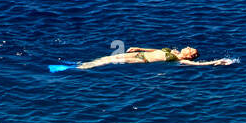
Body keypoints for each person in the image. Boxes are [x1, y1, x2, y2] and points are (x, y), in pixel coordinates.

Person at [75, 45, 234, 70]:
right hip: (140, 53)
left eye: (191, 49)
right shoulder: (175, 51)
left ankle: (80, 67)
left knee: (110, 60)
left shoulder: (179, 60)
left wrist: (216, 62)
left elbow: (199, 65)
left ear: (190, 55)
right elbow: (156, 49)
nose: (188, 46)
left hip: (141, 60)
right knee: (107, 57)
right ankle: (80, 64)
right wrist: (139, 47)